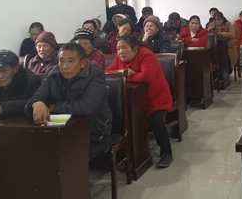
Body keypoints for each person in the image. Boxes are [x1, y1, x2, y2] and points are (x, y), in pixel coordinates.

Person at [26, 42, 112, 156]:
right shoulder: (53, 73)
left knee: (64, 156)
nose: (65, 66)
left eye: (71, 61)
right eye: (61, 61)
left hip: (93, 131)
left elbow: (86, 107)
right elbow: (36, 97)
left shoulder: (95, 75)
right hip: (61, 130)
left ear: (83, 63)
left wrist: (54, 107)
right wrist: (37, 103)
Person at [106, 36, 173, 167]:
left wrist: (124, 77)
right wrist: (121, 72)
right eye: (118, 48)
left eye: (124, 48)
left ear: (135, 49)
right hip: (134, 101)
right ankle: (127, 155)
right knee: (123, 120)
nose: (120, 51)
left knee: (155, 121)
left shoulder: (146, 55)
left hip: (156, 98)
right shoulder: (120, 57)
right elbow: (107, 72)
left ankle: (166, 152)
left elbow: (146, 76)